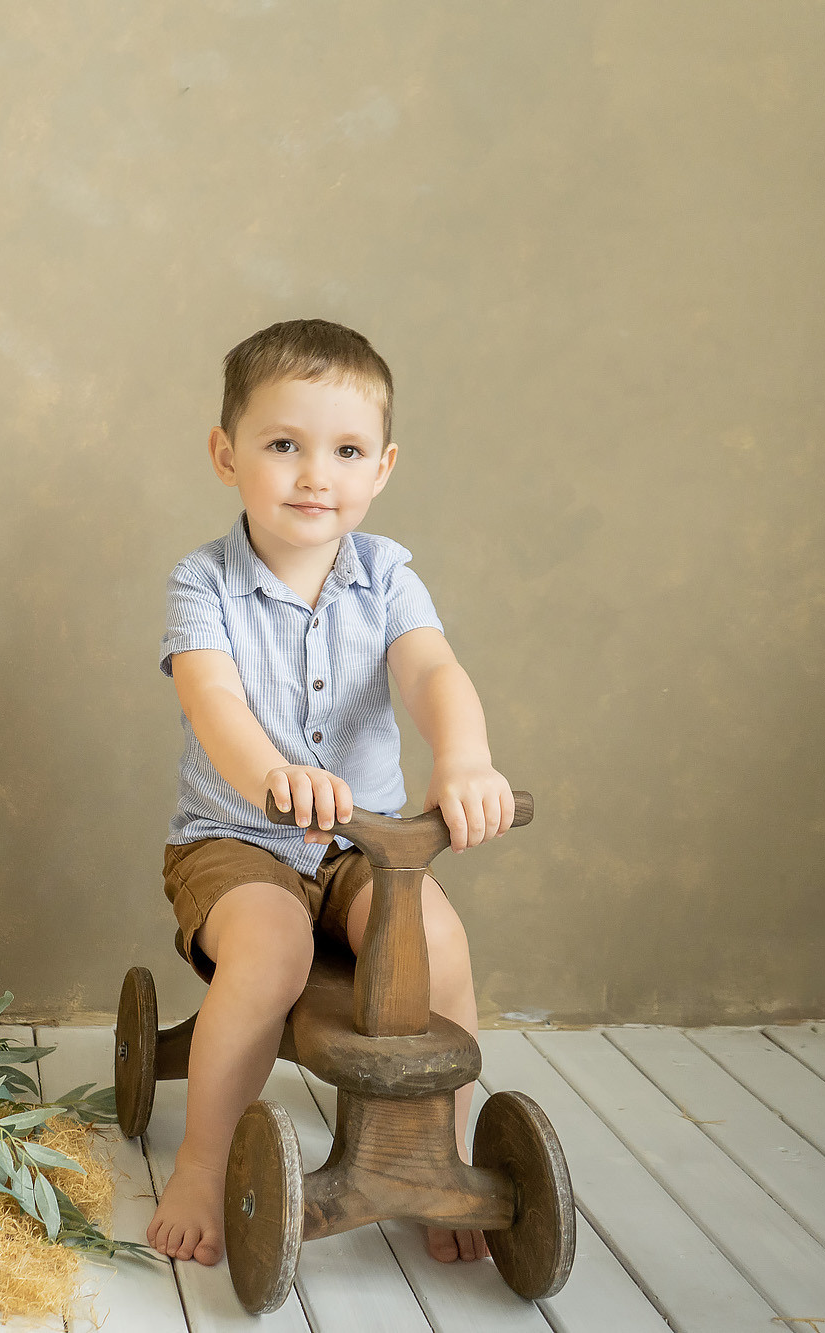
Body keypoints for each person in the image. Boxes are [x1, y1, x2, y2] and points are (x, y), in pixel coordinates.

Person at [148, 318, 517, 1268]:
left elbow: (432, 669)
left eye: (346, 450)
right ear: (226, 455)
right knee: (269, 951)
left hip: (361, 845)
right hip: (235, 842)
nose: (317, 474)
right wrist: (272, 774)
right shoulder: (205, 584)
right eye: (284, 445)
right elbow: (213, 696)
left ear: (382, 466)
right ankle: (201, 1156)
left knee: (439, 942)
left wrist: (465, 756)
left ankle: (431, 1152)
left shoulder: (385, 575)